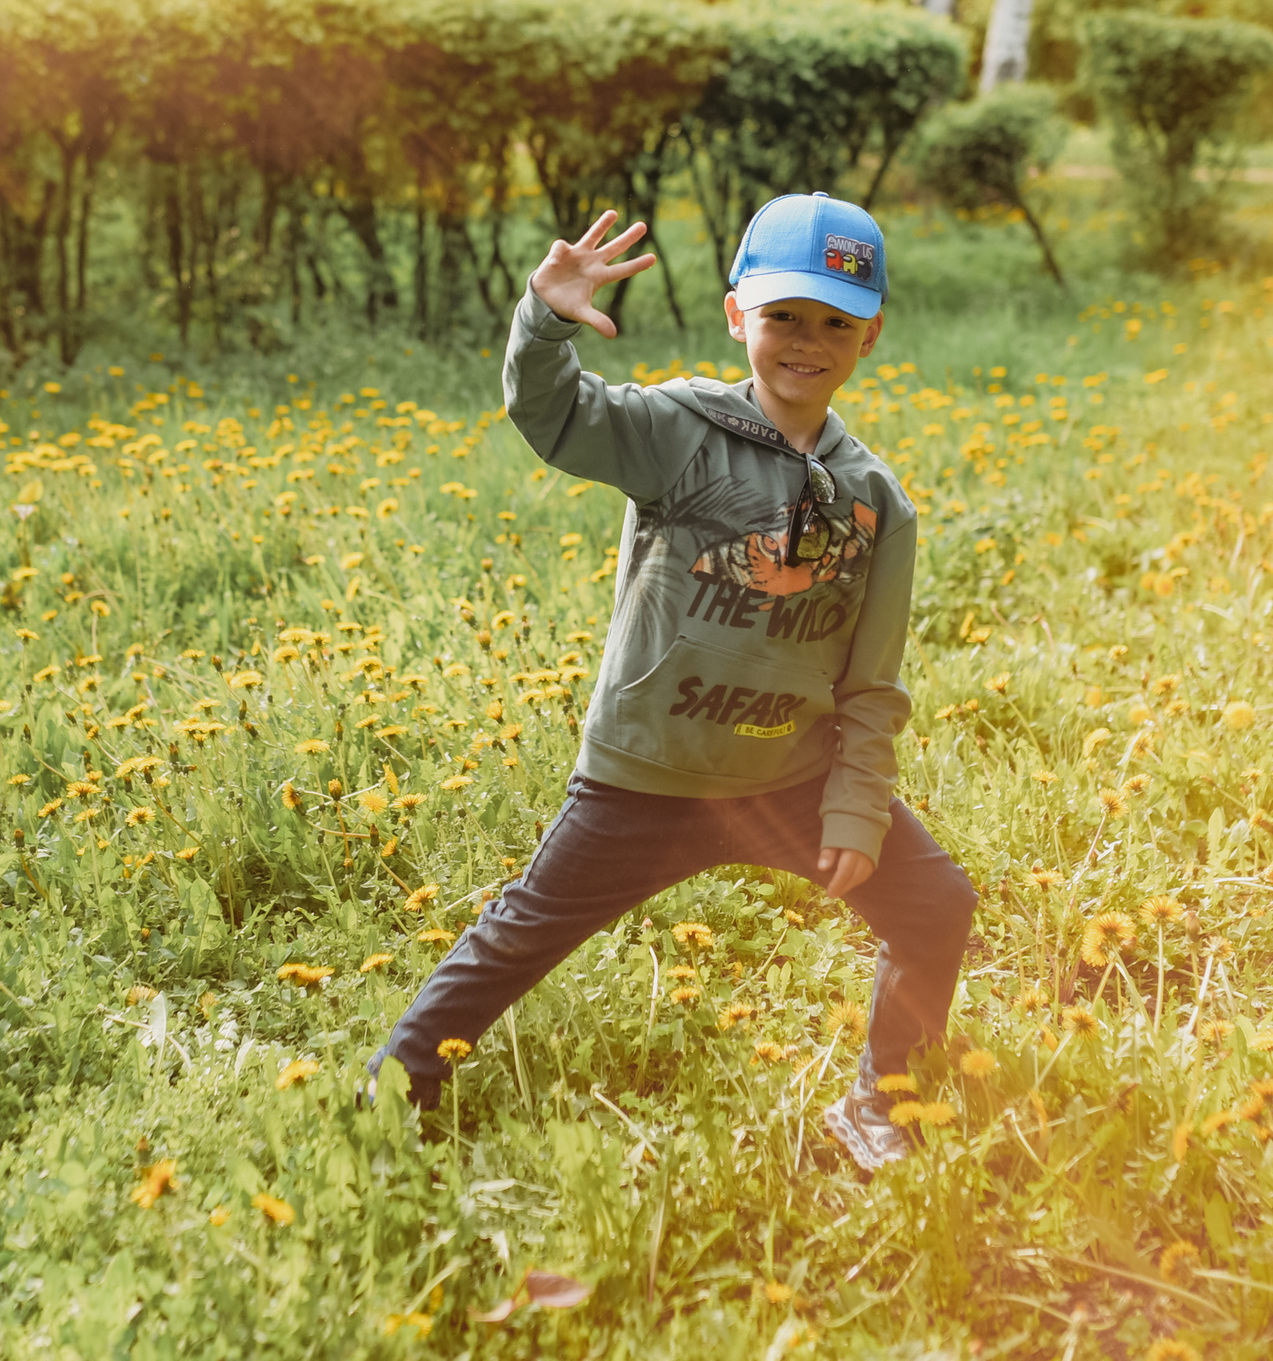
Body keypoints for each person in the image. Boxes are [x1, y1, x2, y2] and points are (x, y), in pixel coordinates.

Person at [366, 192, 975, 1172]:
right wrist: (547, 318)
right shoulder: (677, 430)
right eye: (783, 317)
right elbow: (554, 414)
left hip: (790, 782)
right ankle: (393, 1094)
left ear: (870, 335)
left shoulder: (876, 503)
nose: (804, 342)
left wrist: (856, 808)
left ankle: (882, 1105)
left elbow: (872, 684)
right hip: (646, 777)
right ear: (739, 315)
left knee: (934, 904)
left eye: (832, 322)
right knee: (521, 934)